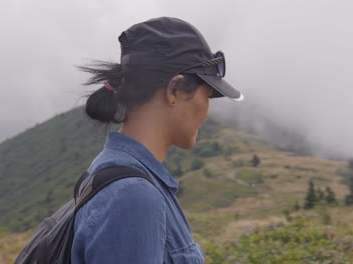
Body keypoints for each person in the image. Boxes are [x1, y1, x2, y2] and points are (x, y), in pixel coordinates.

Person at [71, 17, 244, 264]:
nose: (206, 112)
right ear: (174, 90)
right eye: (206, 96)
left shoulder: (116, 171)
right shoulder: (134, 195)